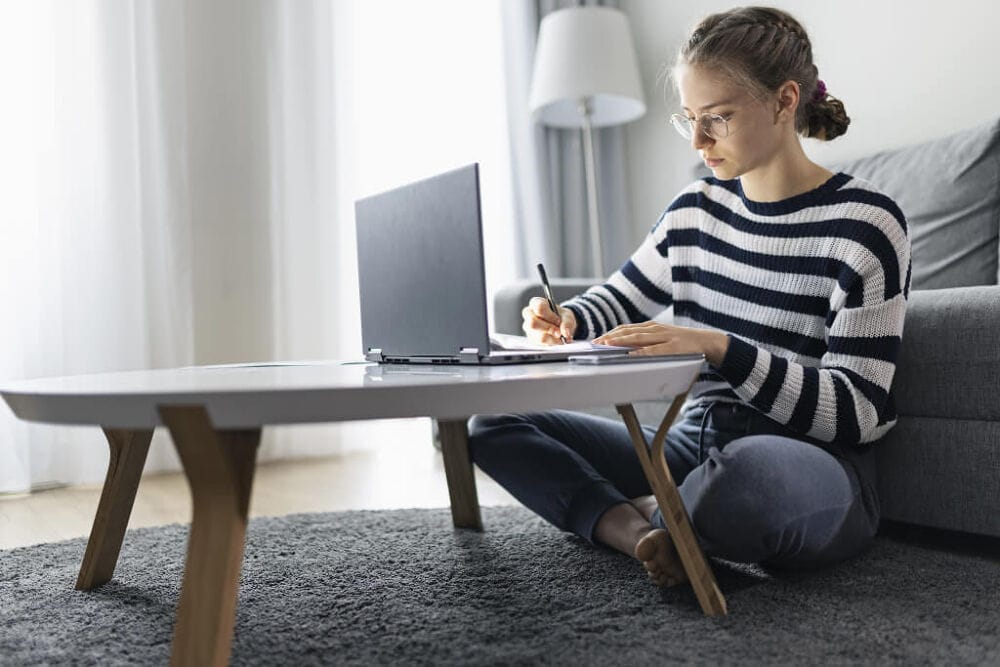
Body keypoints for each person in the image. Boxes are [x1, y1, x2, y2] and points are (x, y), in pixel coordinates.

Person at [468, 6, 911, 588]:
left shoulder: (866, 225)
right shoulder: (693, 212)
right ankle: (641, 533)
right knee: (489, 423)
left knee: (745, 476)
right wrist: (566, 318)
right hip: (688, 446)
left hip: (809, 465)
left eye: (718, 118)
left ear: (784, 101)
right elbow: (619, 299)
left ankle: (668, 513)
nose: (699, 141)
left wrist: (720, 347)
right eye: (689, 120)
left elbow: (857, 413)